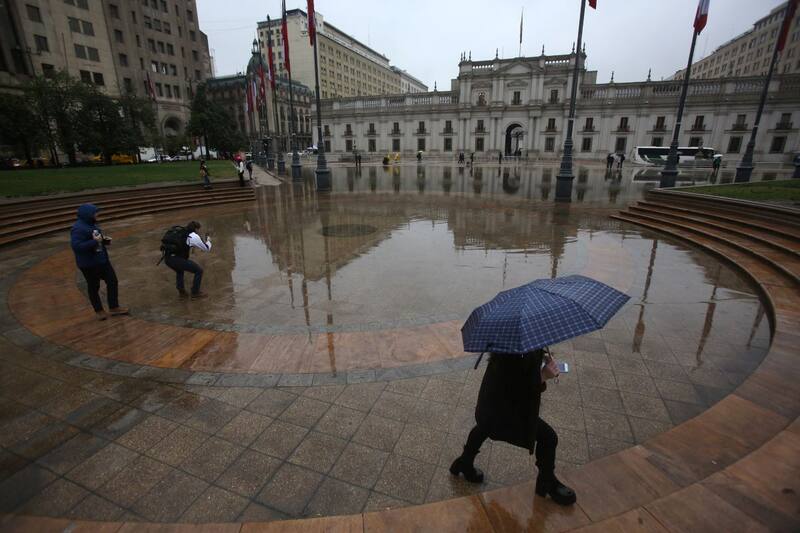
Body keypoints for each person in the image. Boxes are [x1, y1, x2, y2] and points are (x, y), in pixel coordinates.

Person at [450, 349, 576, 506]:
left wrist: (541, 358)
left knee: (483, 427)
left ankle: (464, 461)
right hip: (502, 416)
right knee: (549, 437)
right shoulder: (512, 354)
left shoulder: (509, 345)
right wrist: (543, 376)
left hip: (489, 408)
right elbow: (519, 392)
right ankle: (547, 481)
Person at [70, 204, 129, 320]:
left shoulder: (92, 225)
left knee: (112, 282)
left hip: (102, 260)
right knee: (93, 287)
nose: (98, 215)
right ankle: (99, 311)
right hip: (89, 264)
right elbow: (76, 246)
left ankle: (114, 307)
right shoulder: (78, 228)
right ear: (88, 215)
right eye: (95, 213)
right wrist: (94, 242)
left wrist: (104, 241)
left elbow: (97, 239)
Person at [163, 221, 212, 298]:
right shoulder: (193, 236)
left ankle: (182, 292)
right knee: (198, 270)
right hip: (176, 259)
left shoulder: (182, 231)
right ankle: (195, 292)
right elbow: (206, 248)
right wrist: (208, 240)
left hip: (167, 258)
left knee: (180, 270)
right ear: (196, 229)